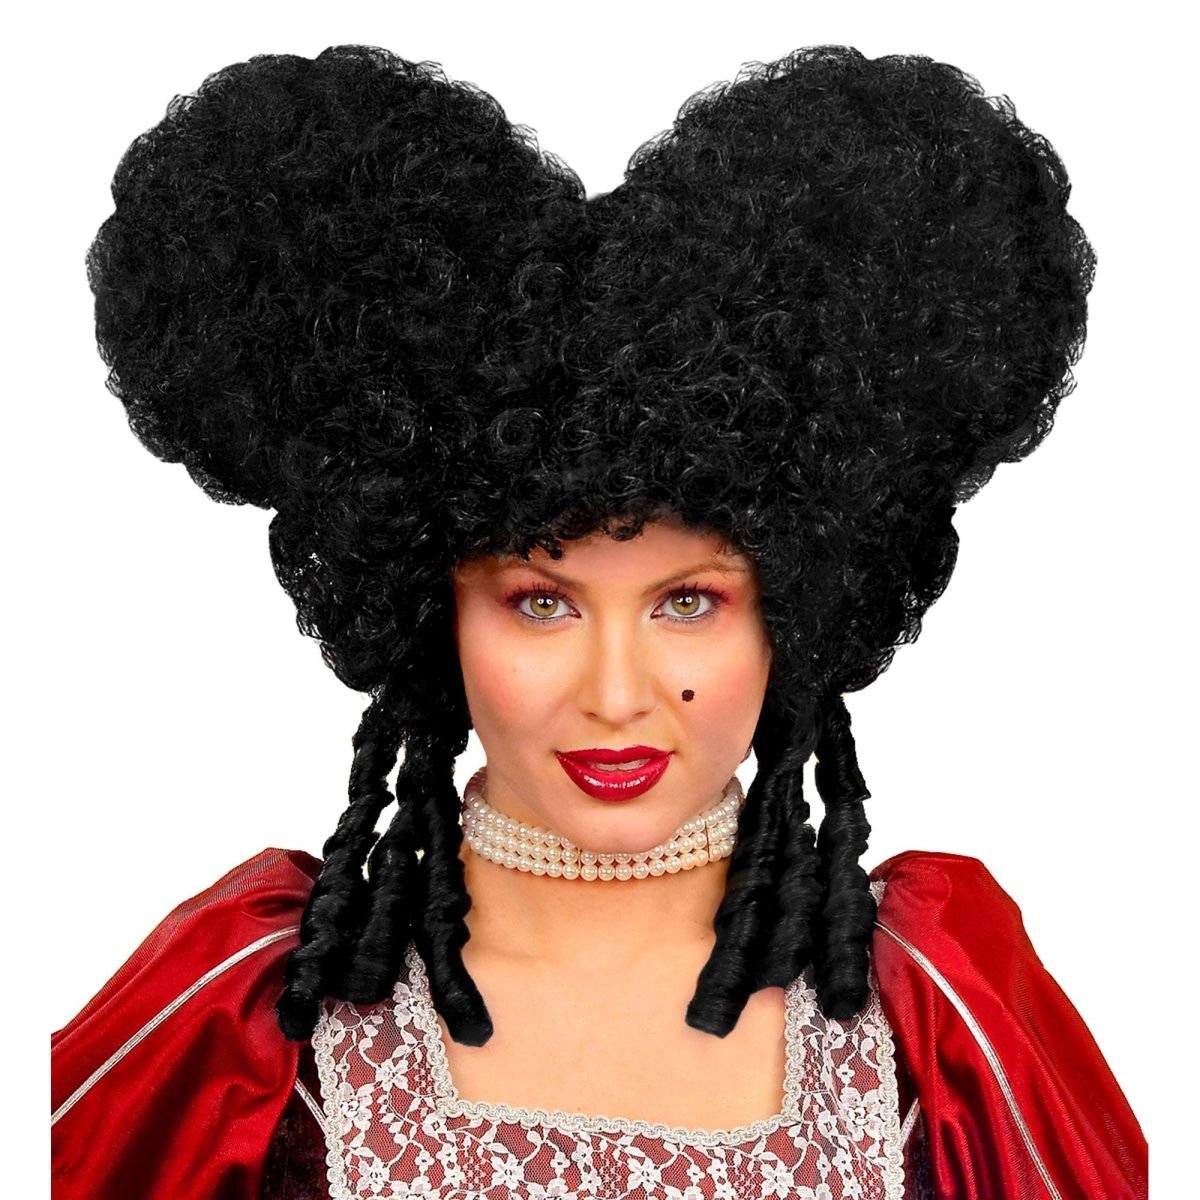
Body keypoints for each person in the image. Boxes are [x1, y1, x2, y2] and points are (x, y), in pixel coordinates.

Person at [50, 42, 1147, 1199]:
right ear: (434, 613)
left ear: (796, 611)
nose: (617, 694)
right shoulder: (252, 1024)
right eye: (540, 603)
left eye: (689, 601)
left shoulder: (939, 1021)